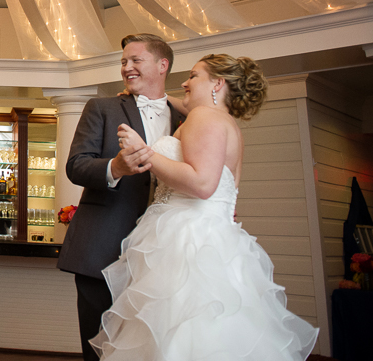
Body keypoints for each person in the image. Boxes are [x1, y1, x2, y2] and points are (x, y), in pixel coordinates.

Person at [92, 54, 319, 359]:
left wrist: (143, 152)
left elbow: (202, 184)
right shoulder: (227, 123)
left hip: (187, 241)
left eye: (194, 76)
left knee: (177, 333)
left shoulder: (203, 118)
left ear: (218, 83)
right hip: (214, 240)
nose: (185, 82)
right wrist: (156, 96)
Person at [56, 33, 185, 361]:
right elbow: (76, 165)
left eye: (135, 60)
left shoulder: (185, 117)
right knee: (99, 346)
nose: (127, 67)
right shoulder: (101, 107)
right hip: (102, 249)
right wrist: (115, 167)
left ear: (162, 64)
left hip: (163, 254)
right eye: (123, 62)